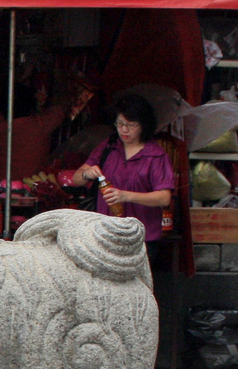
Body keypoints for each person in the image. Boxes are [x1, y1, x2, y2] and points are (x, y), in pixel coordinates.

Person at [74, 91, 175, 262]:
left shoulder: (156, 155)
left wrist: (125, 196)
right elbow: (76, 178)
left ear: (144, 125)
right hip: (106, 234)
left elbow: (164, 198)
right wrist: (86, 173)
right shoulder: (108, 147)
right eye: (119, 124)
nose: (124, 130)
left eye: (131, 125)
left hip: (141, 238)